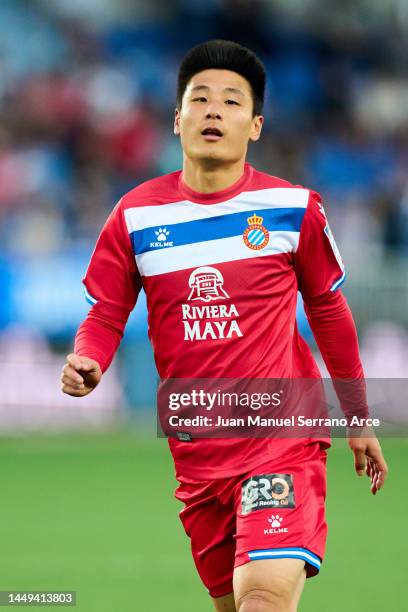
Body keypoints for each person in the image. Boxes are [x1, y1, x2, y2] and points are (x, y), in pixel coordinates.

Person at [61, 40, 388, 612]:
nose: (214, 110)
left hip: (281, 440)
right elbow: (107, 311)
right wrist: (90, 357)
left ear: (255, 125)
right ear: (177, 118)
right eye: (200, 99)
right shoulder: (136, 215)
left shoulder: (293, 209)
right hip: (198, 459)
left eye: (231, 102)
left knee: (262, 599)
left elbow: (329, 310)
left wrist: (357, 413)